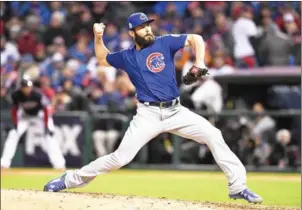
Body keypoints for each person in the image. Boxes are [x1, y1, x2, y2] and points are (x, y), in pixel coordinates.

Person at [43, 12, 262, 203]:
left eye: (147, 25)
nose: (147, 29)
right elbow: (101, 58)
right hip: (148, 114)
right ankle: (69, 179)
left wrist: (200, 63)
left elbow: (196, 38)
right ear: (131, 33)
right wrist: (98, 37)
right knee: (120, 159)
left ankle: (237, 187)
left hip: (176, 111)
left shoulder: (164, 42)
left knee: (214, 135)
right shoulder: (127, 57)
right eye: (141, 27)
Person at [1, 78, 66, 169]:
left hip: (40, 116)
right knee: (13, 134)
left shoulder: (37, 94)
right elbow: (15, 110)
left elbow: (46, 110)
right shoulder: (16, 95)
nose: (28, 89)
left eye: (29, 87)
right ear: (21, 88)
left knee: (49, 136)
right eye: (25, 87)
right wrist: (15, 123)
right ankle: (4, 163)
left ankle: (59, 164)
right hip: (25, 116)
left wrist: (47, 125)